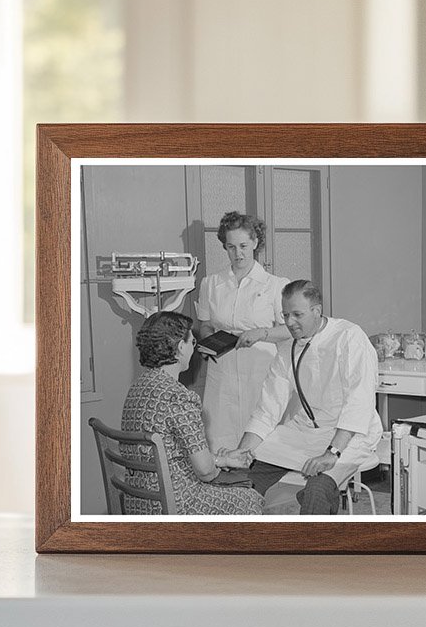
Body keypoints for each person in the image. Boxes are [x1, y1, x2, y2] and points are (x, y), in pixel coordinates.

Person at [228, 279, 383, 515]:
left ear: (317, 311)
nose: (289, 322)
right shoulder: (287, 348)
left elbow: (359, 402)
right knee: (241, 477)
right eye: (285, 315)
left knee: (317, 489)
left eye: (297, 314)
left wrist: (332, 453)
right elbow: (268, 409)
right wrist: (242, 452)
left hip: (349, 435)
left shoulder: (349, 337)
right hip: (304, 432)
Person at [120, 311, 262, 516]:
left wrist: (223, 459)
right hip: (176, 504)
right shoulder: (180, 397)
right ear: (179, 348)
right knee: (250, 500)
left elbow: (170, 455)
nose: (194, 350)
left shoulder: (137, 389)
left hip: (139, 502)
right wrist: (215, 468)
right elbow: (205, 472)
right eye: (193, 343)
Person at [195, 211, 290, 452]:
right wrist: (208, 341)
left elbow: (291, 330)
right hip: (222, 371)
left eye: (244, 246)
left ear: (256, 242)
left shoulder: (276, 285)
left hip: (261, 370)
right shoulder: (211, 284)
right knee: (220, 439)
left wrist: (262, 333)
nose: (238, 254)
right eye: (231, 247)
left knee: (261, 439)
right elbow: (204, 323)